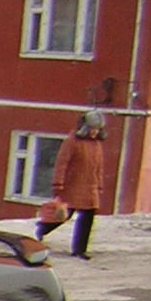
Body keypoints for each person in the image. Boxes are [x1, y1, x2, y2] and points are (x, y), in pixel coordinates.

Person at [37, 110, 106, 259]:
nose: (94, 132)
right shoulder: (72, 141)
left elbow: (99, 166)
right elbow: (62, 163)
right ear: (85, 127)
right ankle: (43, 228)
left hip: (90, 186)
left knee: (88, 217)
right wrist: (58, 183)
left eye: (97, 129)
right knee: (64, 215)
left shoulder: (96, 144)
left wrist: (99, 183)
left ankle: (80, 250)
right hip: (72, 185)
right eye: (92, 128)